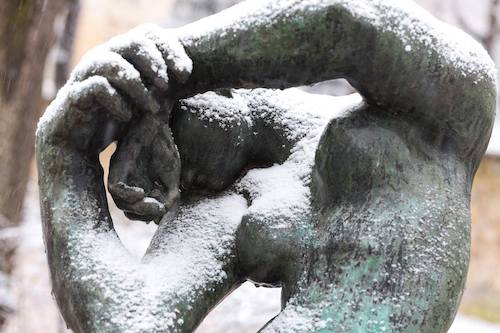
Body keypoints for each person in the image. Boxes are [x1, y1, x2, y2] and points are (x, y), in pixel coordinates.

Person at [35, 0, 496, 332]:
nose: (169, 187)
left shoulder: (439, 109)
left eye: (158, 136)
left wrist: (178, 62)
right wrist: (63, 158)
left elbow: (345, 23)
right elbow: (131, 322)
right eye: (155, 185)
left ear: (219, 88)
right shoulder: (223, 196)